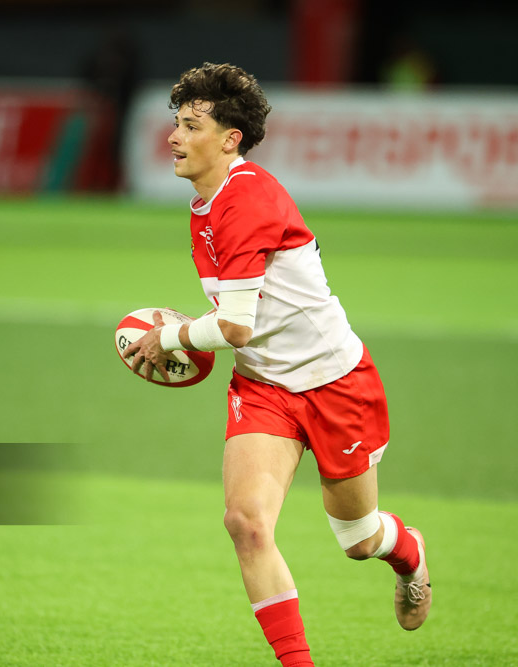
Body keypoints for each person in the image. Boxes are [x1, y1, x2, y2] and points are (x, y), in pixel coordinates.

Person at [122, 63, 431, 666]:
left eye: (190, 125)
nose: (174, 136)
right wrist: (184, 334)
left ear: (230, 138)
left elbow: (235, 325)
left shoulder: (248, 198)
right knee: (246, 523)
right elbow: (242, 320)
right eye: (175, 123)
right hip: (264, 388)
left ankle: (410, 553)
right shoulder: (203, 205)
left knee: (358, 539)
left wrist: (172, 337)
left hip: (336, 383)